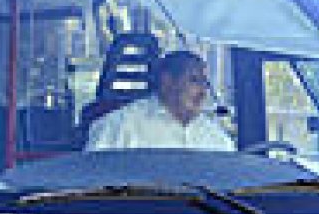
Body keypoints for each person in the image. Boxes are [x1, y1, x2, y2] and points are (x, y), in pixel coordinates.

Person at [85, 50, 234, 151]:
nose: (203, 92)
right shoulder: (119, 127)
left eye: (206, 83)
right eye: (194, 81)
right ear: (167, 81)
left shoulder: (217, 138)